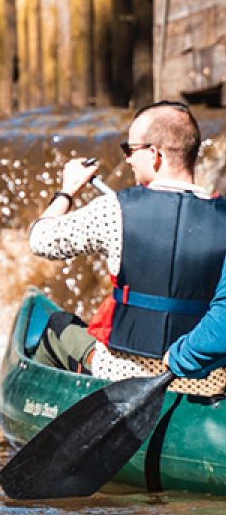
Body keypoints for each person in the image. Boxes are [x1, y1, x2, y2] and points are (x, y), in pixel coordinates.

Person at [27, 101, 226, 395]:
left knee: (58, 326)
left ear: (155, 155)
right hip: (207, 381)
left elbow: (40, 240)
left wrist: (67, 191)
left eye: (130, 150)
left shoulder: (115, 210)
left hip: (122, 374)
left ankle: (43, 411)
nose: (128, 160)